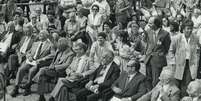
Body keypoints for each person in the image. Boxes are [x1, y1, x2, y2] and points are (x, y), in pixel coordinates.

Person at [10, 30, 54, 97]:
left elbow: (53, 54)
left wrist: (42, 59)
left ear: (46, 36)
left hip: (39, 63)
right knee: (21, 69)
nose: (39, 35)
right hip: (31, 61)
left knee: (32, 70)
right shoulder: (35, 43)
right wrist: (29, 56)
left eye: (41, 34)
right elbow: (28, 52)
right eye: (39, 34)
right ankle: (16, 87)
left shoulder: (50, 45)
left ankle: (28, 88)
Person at [169, 19, 201, 97]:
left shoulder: (195, 38)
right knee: (177, 84)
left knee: (187, 85)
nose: (189, 30)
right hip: (179, 64)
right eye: (188, 28)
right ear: (183, 29)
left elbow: (198, 50)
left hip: (190, 65)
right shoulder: (177, 38)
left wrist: (196, 59)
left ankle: (185, 98)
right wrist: (173, 62)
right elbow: (171, 51)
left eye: (191, 28)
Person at [144, 16, 171, 90]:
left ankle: (155, 95)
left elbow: (167, 47)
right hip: (148, 58)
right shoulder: (148, 31)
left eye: (150, 23)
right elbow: (148, 43)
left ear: (156, 24)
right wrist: (146, 53)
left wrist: (160, 54)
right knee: (148, 78)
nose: (148, 24)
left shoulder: (165, 34)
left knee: (155, 80)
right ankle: (149, 93)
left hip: (157, 60)